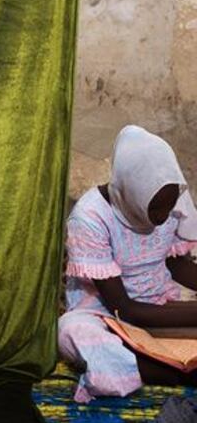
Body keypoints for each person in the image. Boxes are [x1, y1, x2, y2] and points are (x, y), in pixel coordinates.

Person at [59, 124, 197, 402]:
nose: (164, 215)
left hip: (159, 306)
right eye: (156, 208)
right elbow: (126, 310)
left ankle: (158, 363)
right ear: (130, 192)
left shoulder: (170, 196)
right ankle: (176, 372)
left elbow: (175, 263)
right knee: (72, 332)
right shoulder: (90, 217)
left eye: (169, 206)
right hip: (108, 315)